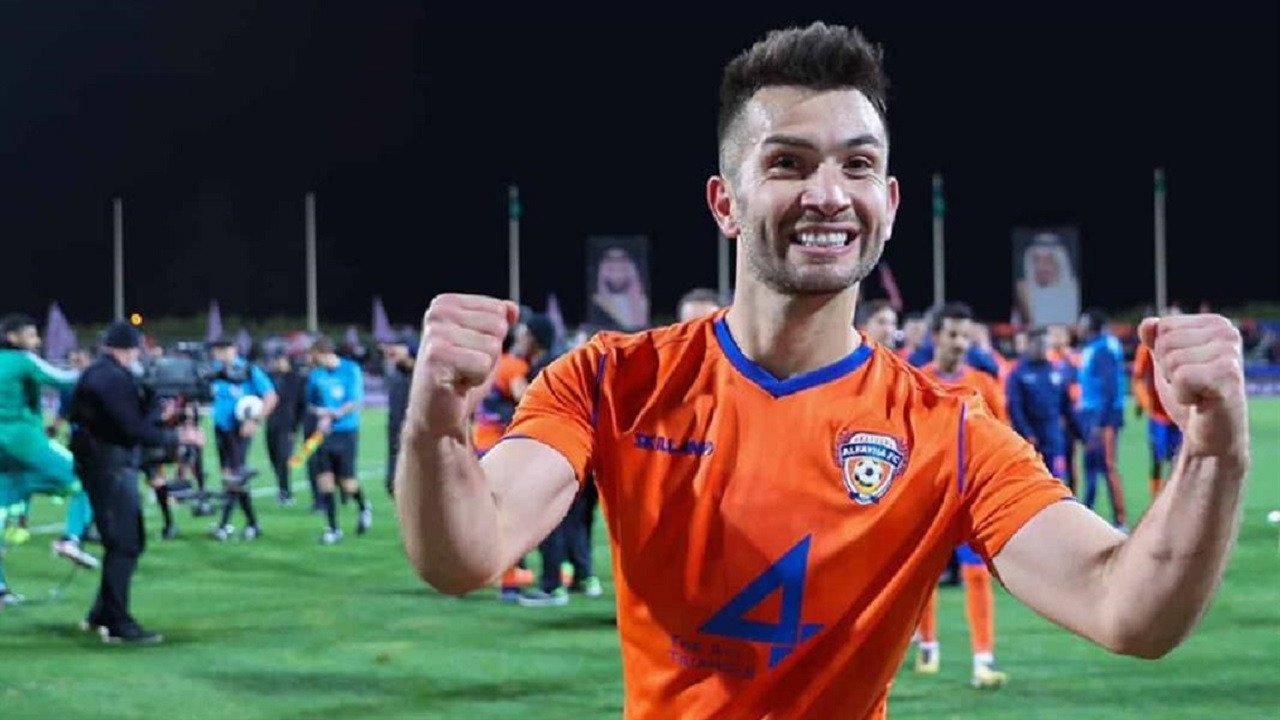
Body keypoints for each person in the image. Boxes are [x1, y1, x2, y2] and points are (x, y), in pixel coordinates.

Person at [395, 22, 1251, 720]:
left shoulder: (949, 431)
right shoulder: (611, 381)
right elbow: (466, 553)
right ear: (725, 203)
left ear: (890, 204)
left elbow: (1125, 610)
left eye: (858, 165)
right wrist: (435, 425)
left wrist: (1215, 454)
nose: (829, 194)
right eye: (788, 163)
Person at [68, 322, 202, 643]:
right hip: (110, 466)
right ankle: (117, 623)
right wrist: (178, 435)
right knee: (125, 543)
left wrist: (156, 413)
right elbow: (131, 429)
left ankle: (101, 613)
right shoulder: (112, 378)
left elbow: (127, 422)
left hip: (103, 464)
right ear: (128, 349)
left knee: (124, 541)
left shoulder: (99, 374)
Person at [914, 302, 1010, 688]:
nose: (960, 343)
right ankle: (928, 646)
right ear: (936, 336)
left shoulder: (983, 384)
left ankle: (983, 661)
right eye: (953, 334)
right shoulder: (917, 382)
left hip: (971, 497)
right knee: (923, 577)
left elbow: (1003, 438)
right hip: (929, 497)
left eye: (965, 336)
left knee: (977, 575)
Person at [0, 314, 98, 578]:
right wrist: (95, 371)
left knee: (3, 513)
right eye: (31, 335)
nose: (37, 341)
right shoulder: (23, 360)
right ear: (12, 337)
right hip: (24, 442)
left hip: (3, 454)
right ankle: (70, 539)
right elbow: (62, 379)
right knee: (89, 480)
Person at [208, 339, 277, 541]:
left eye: (222, 350)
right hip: (221, 428)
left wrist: (255, 420)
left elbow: (271, 397)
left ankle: (224, 526)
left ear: (233, 350)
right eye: (217, 351)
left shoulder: (248, 370)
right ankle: (253, 524)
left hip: (240, 430)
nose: (219, 354)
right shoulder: (215, 370)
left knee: (234, 477)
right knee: (230, 476)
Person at [305, 337, 370, 544]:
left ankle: (363, 507)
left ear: (325, 353)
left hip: (346, 432)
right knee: (325, 481)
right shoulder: (316, 375)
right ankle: (333, 529)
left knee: (347, 484)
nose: (312, 360)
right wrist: (320, 413)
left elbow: (354, 402)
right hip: (324, 434)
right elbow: (310, 404)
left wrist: (332, 415)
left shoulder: (351, 370)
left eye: (315, 356)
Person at [1006, 327, 1083, 483]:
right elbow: (1015, 408)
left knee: (1056, 482)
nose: (1041, 347)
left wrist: (1079, 433)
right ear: (1029, 344)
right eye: (1038, 343)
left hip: (1054, 440)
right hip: (1030, 441)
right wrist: (1027, 433)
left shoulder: (1056, 372)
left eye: (1044, 344)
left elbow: (1066, 407)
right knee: (1032, 484)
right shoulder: (1019, 373)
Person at [1076, 309, 1129, 529]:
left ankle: (1120, 519)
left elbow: (1109, 388)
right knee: (1091, 465)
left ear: (1092, 325)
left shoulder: (1104, 349)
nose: (1079, 326)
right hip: (1092, 414)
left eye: (1083, 322)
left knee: (1107, 465)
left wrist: (1100, 422)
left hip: (1103, 417)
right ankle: (1085, 513)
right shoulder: (1094, 346)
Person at [1133, 308, 1183, 499]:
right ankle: (1157, 498)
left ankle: (1175, 498)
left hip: (1180, 415)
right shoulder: (1148, 348)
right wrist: (1143, 402)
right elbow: (1138, 377)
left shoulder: (1184, 348)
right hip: (1158, 415)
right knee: (1157, 459)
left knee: (1179, 460)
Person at [265, 351, 308, 506]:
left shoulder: (297, 379)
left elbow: (301, 405)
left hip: (288, 425)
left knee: (284, 457)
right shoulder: (269, 378)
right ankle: (281, 487)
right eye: (275, 360)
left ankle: (285, 491)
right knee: (273, 457)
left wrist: (296, 427)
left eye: (280, 360)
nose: (277, 363)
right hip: (271, 424)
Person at [1015, 233, 1081, 328]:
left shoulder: (1075, 291)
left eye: (1048, 260)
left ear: (1059, 262)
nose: (1041, 267)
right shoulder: (1024, 293)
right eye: (1036, 260)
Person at [380, 333, 416, 497]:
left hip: (417, 436)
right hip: (396, 434)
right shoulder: (397, 375)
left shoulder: (426, 375)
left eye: (397, 346)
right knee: (392, 483)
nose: (392, 350)